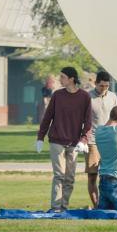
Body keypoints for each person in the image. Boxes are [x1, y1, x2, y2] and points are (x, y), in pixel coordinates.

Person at [36, 67, 92, 212]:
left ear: (71, 79)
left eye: (62, 77)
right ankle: (55, 208)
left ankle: (64, 207)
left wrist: (83, 140)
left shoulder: (84, 97)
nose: (59, 79)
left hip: (74, 143)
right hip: (57, 140)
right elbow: (47, 117)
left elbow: (88, 121)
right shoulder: (57, 95)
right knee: (59, 175)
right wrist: (40, 137)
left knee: (70, 178)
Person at [85, 71, 117, 208]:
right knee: (92, 176)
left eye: (106, 86)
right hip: (93, 141)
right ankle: (97, 206)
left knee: (111, 176)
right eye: (101, 86)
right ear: (95, 83)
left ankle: (110, 204)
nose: (104, 88)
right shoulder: (87, 97)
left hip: (110, 141)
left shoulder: (113, 96)